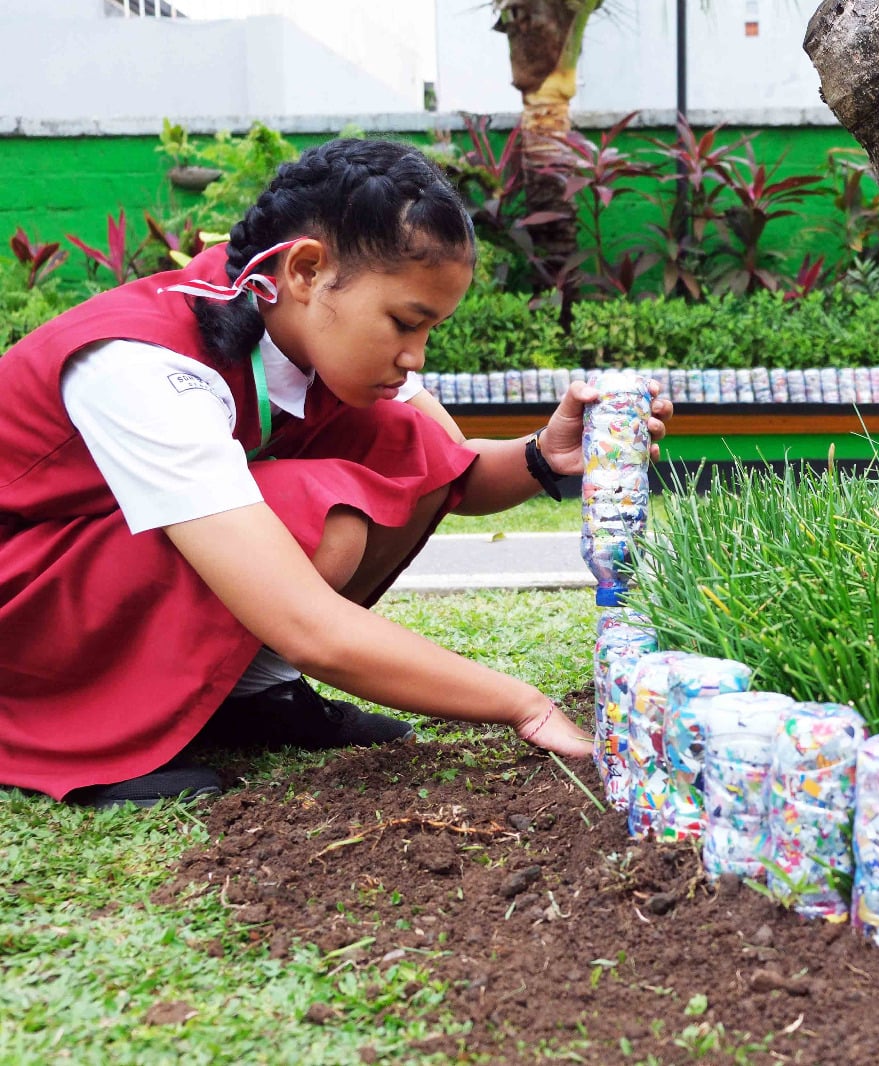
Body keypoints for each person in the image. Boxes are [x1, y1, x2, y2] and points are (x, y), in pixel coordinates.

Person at [0, 139, 673, 807]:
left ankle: (252, 699)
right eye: (405, 323)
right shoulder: (147, 366)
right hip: (20, 614)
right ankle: (93, 731)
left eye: (430, 329)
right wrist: (523, 706)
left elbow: (448, 471)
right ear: (306, 270)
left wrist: (542, 455)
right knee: (311, 516)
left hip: (77, 569)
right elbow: (307, 623)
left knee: (393, 437)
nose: (416, 357)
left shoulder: (293, 319)